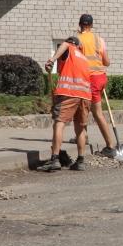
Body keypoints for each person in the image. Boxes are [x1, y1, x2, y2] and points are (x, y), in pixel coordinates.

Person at [37, 36, 91, 172]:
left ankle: (54, 159)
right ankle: (80, 161)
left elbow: (65, 45)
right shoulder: (84, 58)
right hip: (84, 96)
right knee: (80, 128)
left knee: (59, 123)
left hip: (69, 93)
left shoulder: (69, 47)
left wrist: (52, 60)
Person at [76, 13, 115, 157]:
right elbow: (107, 62)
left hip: (88, 79)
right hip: (100, 78)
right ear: (91, 25)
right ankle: (83, 137)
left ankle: (110, 146)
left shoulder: (77, 40)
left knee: (95, 112)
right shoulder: (99, 39)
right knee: (84, 109)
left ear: (80, 25)